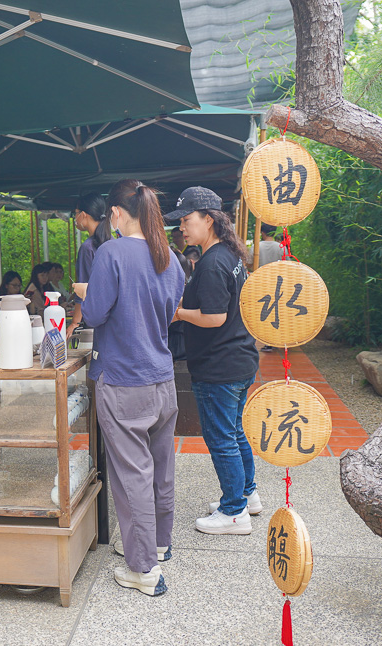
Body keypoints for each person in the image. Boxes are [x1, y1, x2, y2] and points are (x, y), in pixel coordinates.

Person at [79, 179, 185, 597]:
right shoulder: (170, 258)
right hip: (162, 379)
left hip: (123, 380)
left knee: (132, 475)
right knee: (160, 468)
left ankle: (143, 569)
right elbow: (170, 310)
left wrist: (87, 296)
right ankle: (159, 542)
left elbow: (95, 313)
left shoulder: (111, 252)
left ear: (117, 214)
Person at [167, 187, 261, 536]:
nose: (182, 229)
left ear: (208, 219)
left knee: (222, 438)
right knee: (234, 433)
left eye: (187, 221)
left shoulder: (211, 262)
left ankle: (233, 512)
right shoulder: (228, 255)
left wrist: (178, 313)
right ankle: (247, 496)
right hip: (238, 359)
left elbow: (213, 317)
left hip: (219, 365)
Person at [68, 192, 112, 336]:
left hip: (95, 321)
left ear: (84, 214)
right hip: (115, 319)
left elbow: (83, 290)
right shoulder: (114, 242)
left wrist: (75, 323)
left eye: (76, 213)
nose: (75, 218)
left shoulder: (88, 248)